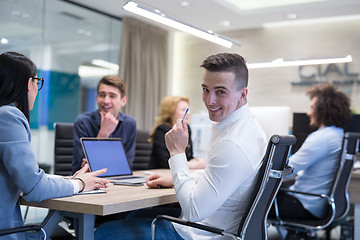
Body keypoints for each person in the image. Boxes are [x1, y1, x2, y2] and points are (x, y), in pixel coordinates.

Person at [94, 53, 267, 240]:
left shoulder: (232, 144)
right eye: (205, 89)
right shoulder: (249, 129)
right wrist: (179, 178)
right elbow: (218, 176)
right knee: (133, 216)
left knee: (103, 232)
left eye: (221, 91)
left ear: (243, 94)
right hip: (214, 225)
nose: (210, 101)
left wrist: (177, 153)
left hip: (203, 233)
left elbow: (193, 211)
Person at [0, 51, 109, 239]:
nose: (36, 88)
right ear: (28, 84)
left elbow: (26, 178)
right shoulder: (8, 116)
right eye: (37, 82)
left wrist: (68, 181)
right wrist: (80, 184)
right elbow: (35, 189)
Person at [270, 83, 352, 223]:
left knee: (249, 201)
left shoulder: (322, 138)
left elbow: (287, 168)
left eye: (312, 108)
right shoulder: (338, 134)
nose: (308, 113)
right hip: (319, 203)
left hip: (305, 204)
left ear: (322, 110)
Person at [72, 75, 136, 174]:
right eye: (102, 95)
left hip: (118, 180)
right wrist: (103, 133)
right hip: (85, 181)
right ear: (97, 98)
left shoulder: (129, 123)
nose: (106, 101)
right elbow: (85, 167)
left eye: (112, 96)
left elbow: (127, 164)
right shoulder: (83, 122)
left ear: (123, 101)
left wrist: (97, 160)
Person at [148, 95, 205, 169]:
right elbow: (165, 162)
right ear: (171, 112)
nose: (188, 113)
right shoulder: (162, 130)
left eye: (188, 109)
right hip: (160, 174)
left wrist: (197, 161)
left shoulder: (187, 129)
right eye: (183, 110)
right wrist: (192, 165)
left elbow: (189, 157)